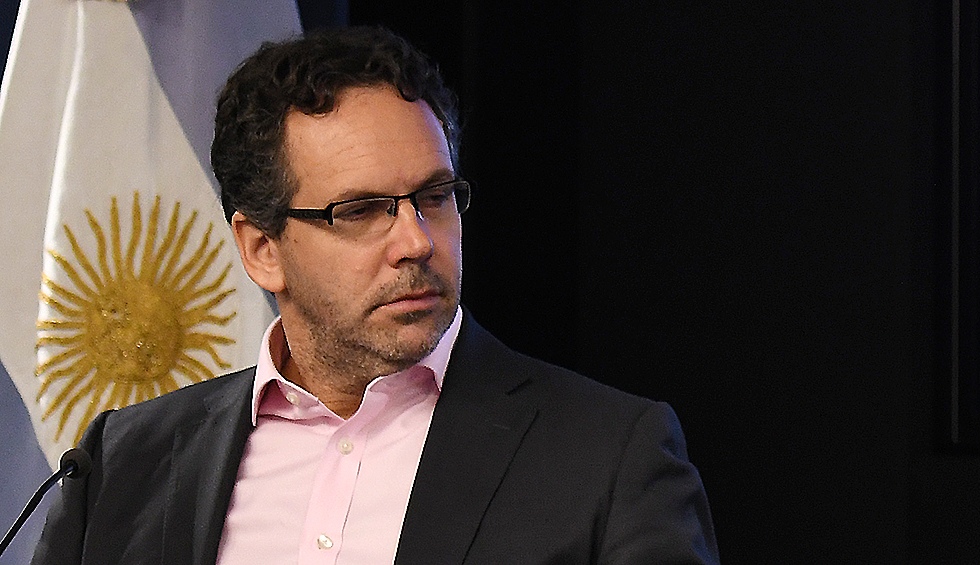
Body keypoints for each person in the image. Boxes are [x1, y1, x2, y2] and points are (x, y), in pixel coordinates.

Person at [32, 26, 719, 564]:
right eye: (361, 210)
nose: (416, 241)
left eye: (435, 197)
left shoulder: (609, 457)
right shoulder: (122, 464)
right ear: (262, 249)